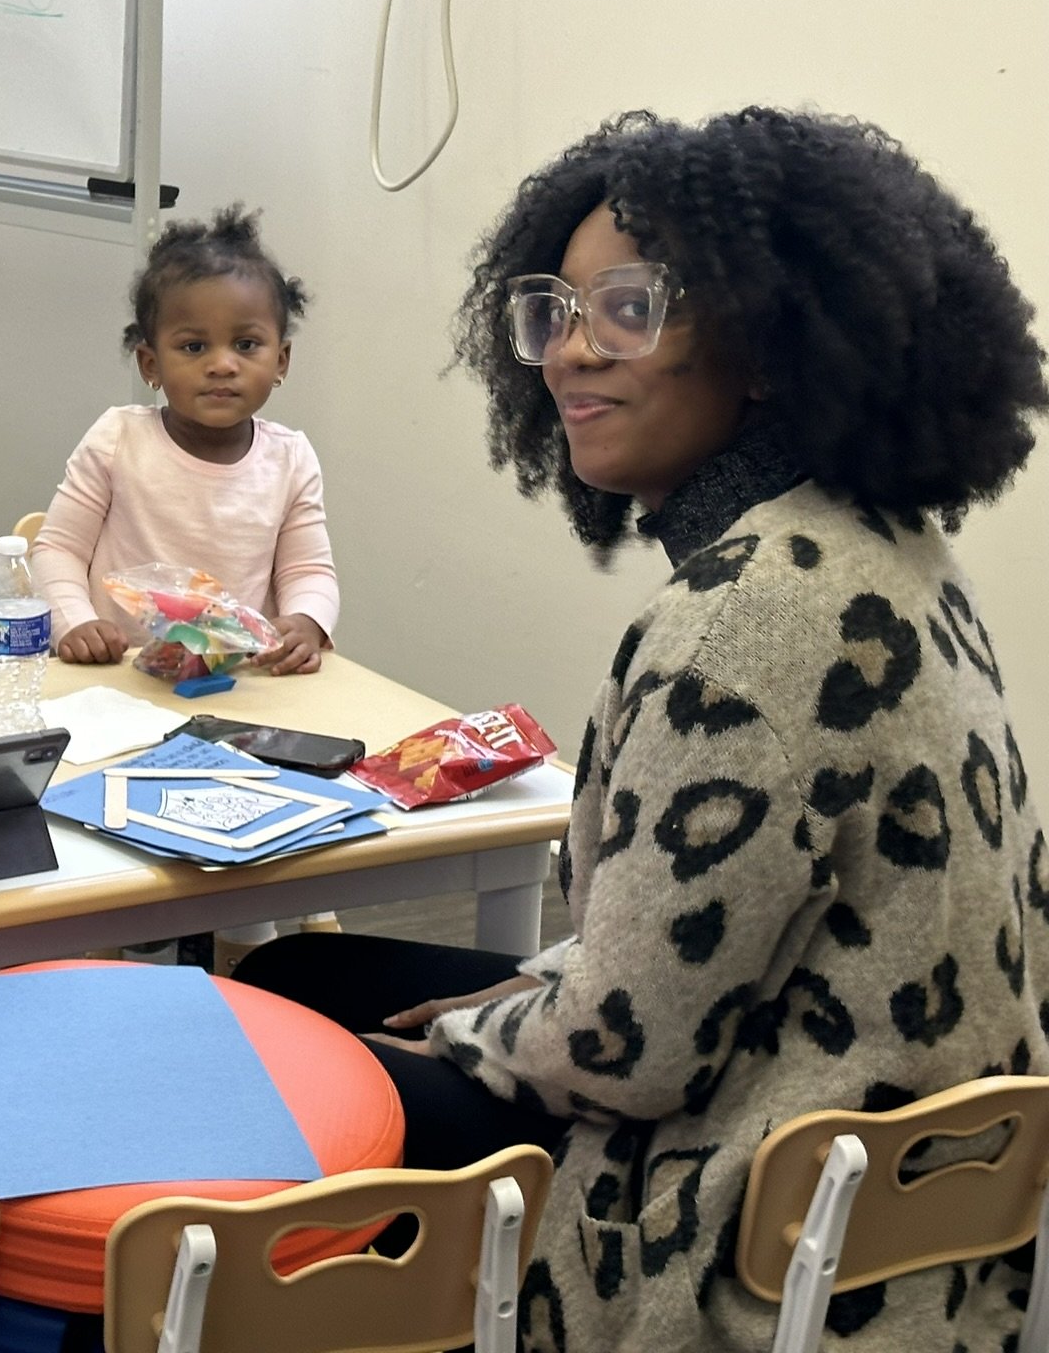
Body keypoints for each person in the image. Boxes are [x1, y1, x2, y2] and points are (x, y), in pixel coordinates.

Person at [236, 108, 1049, 1351]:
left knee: (268, 1059)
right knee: (297, 979)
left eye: (626, 310)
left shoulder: (735, 627)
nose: (568, 352)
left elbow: (626, 1057)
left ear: (763, 344)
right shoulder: (887, 549)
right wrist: (536, 985)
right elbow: (740, 921)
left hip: (726, 1212)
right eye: (552, 312)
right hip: (884, 1168)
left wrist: (474, 1027)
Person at [31, 203, 338, 674]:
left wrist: (306, 620)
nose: (222, 365)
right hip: (117, 677)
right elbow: (58, 550)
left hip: (238, 680)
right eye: (194, 347)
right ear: (150, 364)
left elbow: (308, 572)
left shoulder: (290, 459)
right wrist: (76, 623)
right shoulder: (117, 439)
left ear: (281, 361)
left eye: (246, 345)